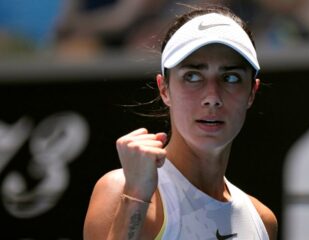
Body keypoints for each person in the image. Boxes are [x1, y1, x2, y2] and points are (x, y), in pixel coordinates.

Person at [83, 5, 278, 240]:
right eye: (192, 76)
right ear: (164, 89)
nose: (212, 98)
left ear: (251, 93)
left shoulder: (263, 222)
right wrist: (135, 196)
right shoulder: (119, 189)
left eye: (231, 77)